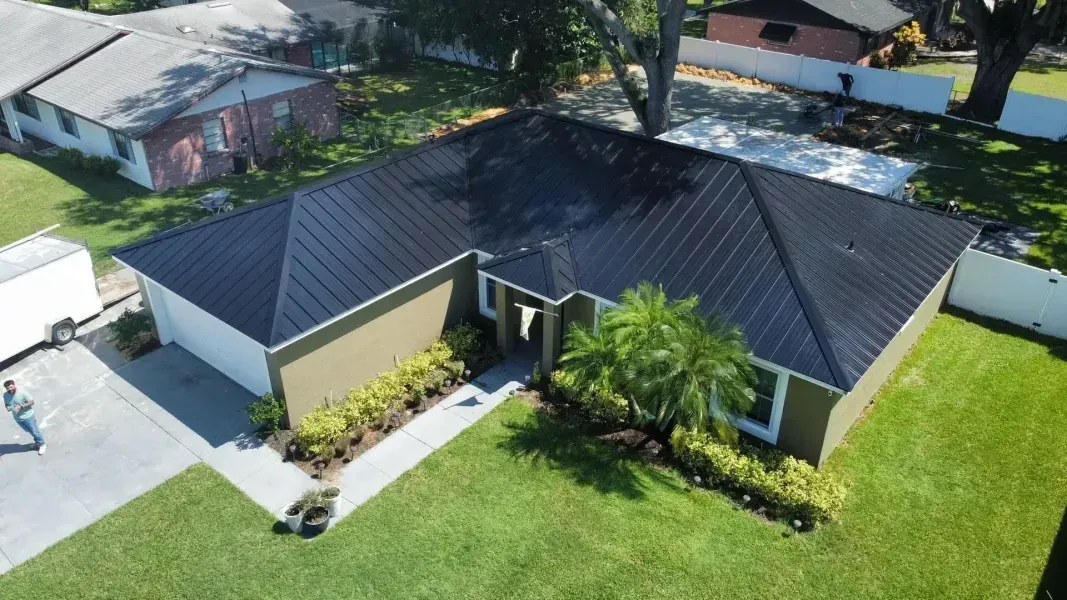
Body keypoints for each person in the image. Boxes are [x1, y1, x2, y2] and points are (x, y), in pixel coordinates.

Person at [4, 380, 45, 455]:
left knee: (34, 431)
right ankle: (38, 442)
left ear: (14, 385)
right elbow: (6, 404)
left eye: (11, 387)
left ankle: (42, 444)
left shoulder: (22, 392)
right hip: (18, 418)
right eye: (8, 388)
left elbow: (32, 402)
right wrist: (7, 407)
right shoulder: (5, 395)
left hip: (28, 416)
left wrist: (21, 406)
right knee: (30, 431)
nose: (10, 389)